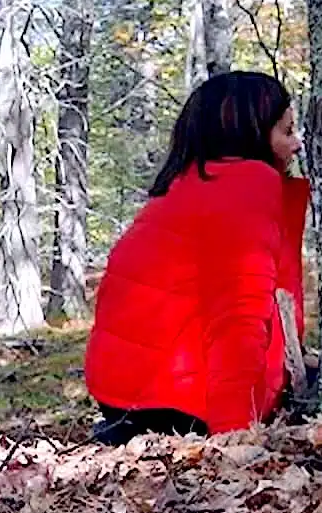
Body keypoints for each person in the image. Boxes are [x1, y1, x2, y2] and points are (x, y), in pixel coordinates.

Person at [85, 71, 308, 443]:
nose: (296, 144)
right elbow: (239, 317)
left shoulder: (189, 185)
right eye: (286, 132)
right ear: (250, 133)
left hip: (124, 398)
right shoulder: (247, 185)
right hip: (178, 404)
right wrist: (234, 435)